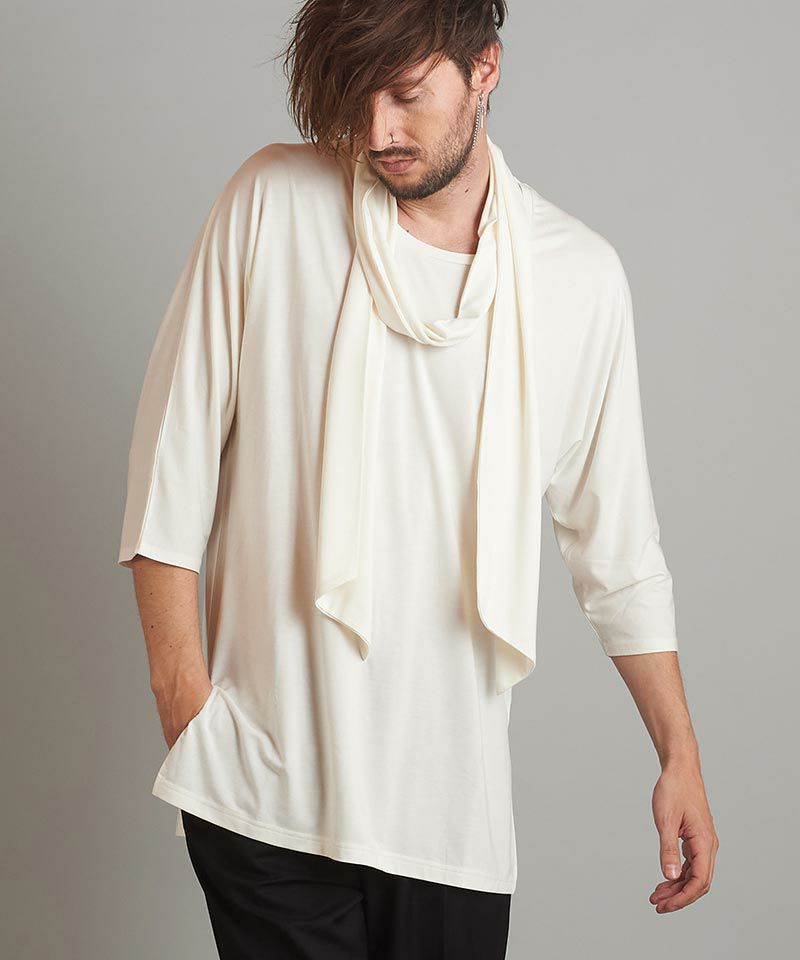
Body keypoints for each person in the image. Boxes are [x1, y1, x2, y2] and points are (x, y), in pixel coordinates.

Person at [116, 1, 718, 956]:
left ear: (486, 69)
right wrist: (185, 705)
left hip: (450, 820)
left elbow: (618, 554)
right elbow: (169, 472)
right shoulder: (273, 203)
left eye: (405, 94)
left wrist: (679, 755)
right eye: (358, 96)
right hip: (262, 796)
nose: (377, 131)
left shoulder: (578, 279)